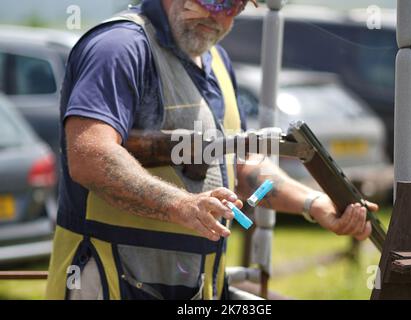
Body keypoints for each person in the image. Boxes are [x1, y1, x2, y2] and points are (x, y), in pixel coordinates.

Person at [46, 0, 378, 300]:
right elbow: (89, 157)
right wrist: (179, 205)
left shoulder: (217, 61)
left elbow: (242, 168)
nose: (218, 14)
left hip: (192, 285)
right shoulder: (118, 47)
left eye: (234, 5)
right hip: (106, 280)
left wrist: (314, 203)